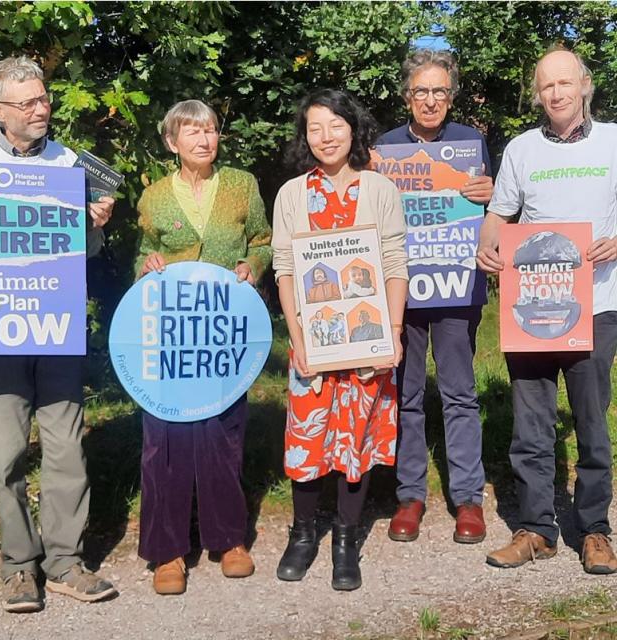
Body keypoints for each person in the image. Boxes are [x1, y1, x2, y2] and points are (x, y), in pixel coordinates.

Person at [0, 56, 116, 612]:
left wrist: (94, 228)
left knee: (66, 449)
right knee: (7, 453)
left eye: (44, 97)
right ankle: (17, 567)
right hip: (0, 329)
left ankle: (64, 562)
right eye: (28, 102)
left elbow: (83, 254)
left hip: (56, 326)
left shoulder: (70, 163)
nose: (43, 108)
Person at [477, 47, 617, 573]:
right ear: (537, 95)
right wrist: (488, 246)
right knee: (530, 426)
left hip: (597, 306)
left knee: (591, 423)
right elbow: (499, 214)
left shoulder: (614, 141)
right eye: (546, 86)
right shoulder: (520, 149)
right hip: (530, 308)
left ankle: (595, 530)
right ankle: (536, 529)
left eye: (565, 83)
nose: (556, 93)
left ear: (585, 86)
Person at [272, 89, 408, 591]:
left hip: (369, 342)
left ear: (353, 130)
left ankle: (345, 539)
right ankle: (303, 533)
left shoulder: (379, 189)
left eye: (335, 125)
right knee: (307, 441)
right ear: (305, 136)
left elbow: (395, 265)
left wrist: (392, 334)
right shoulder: (291, 195)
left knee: (359, 438)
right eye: (315, 128)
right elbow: (285, 272)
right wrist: (299, 338)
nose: (325, 136)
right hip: (314, 341)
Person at [135, 99, 272, 595]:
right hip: (169, 336)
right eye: (192, 132)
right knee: (162, 440)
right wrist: (145, 264)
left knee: (222, 433)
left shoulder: (242, 185)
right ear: (172, 142)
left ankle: (229, 539)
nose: (204, 140)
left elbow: (262, 241)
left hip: (222, 332)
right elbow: (140, 255)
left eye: (210, 130)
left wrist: (252, 267)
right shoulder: (152, 196)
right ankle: (166, 551)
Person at [378, 49, 494, 545]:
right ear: (407, 97)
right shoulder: (383, 148)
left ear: (451, 97)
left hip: (454, 287)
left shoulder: (472, 142)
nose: (430, 100)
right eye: (421, 91)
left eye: (440, 91)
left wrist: (490, 195)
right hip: (402, 289)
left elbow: (495, 212)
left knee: (460, 394)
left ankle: (467, 498)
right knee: (403, 395)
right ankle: (410, 495)